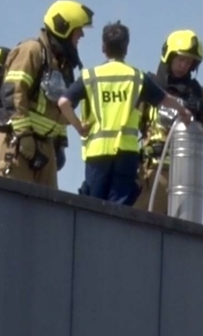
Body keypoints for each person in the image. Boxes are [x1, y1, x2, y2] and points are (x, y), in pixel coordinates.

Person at [57, 21, 193, 204]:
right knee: (119, 208)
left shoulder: (90, 76)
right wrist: (183, 111)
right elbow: (165, 99)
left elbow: (63, 103)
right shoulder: (137, 77)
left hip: (97, 153)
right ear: (126, 48)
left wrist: (79, 127)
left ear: (103, 48)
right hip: (126, 153)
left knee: (92, 206)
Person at [0, 0, 94, 189]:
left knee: (48, 204)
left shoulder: (62, 64)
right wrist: (24, 135)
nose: (81, 34)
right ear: (64, 28)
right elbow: (13, 93)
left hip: (45, 147)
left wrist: (60, 143)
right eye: (78, 29)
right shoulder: (32, 51)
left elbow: (60, 109)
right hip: (18, 142)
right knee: (12, 199)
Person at [133, 29, 203, 215]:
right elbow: (130, 123)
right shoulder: (150, 87)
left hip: (186, 175)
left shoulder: (198, 93)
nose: (183, 66)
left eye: (189, 61)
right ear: (169, 57)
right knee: (143, 223)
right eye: (180, 59)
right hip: (153, 171)